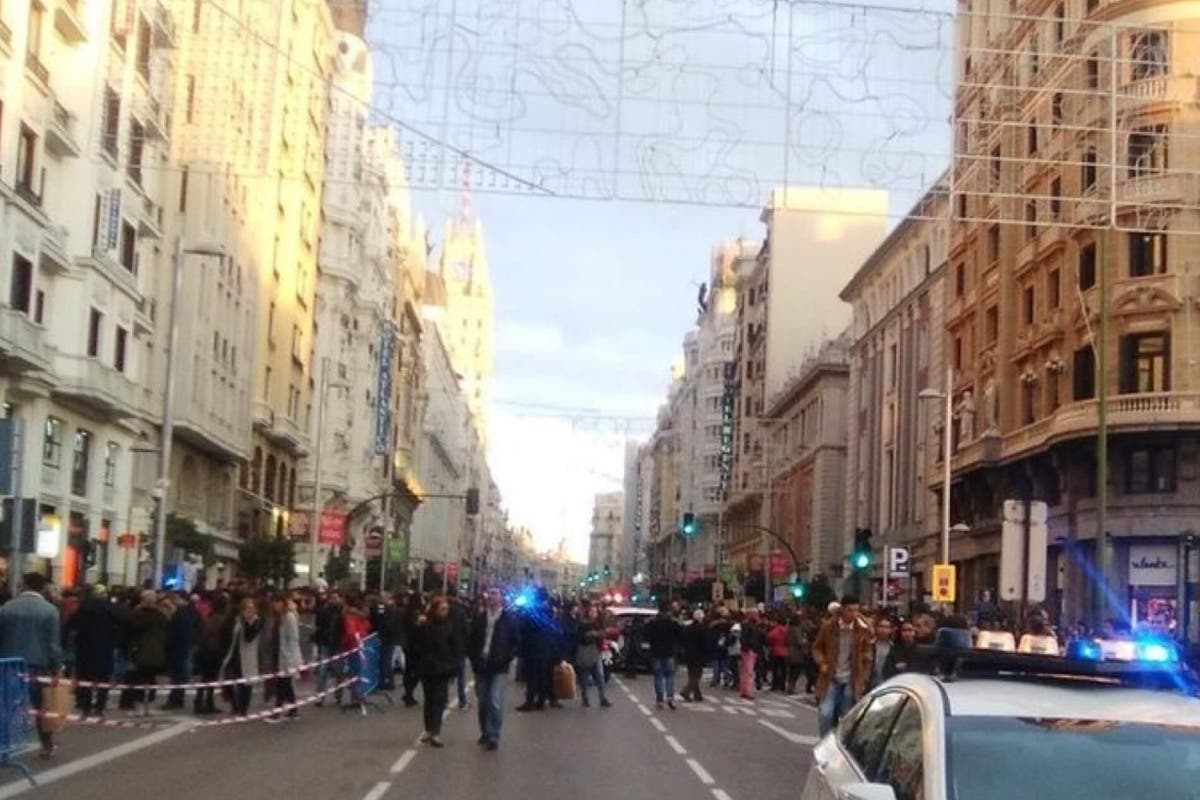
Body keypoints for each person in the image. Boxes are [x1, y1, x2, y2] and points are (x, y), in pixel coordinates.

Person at [0, 573, 62, 756]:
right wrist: (56, 668)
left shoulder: (7, 608)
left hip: (9, 664)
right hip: (38, 665)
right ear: (43, 588)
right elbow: (53, 644)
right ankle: (47, 744)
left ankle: (6, 743)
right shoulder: (50, 610)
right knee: (42, 706)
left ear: (23, 585)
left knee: (8, 705)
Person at [811, 595, 873, 736]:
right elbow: (816, 647)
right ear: (842, 609)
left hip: (852, 678)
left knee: (846, 716)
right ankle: (825, 743)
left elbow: (868, 655)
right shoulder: (829, 627)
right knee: (825, 713)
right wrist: (822, 663)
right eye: (850, 610)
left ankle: (841, 746)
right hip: (831, 677)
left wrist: (864, 677)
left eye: (856, 610)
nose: (853, 614)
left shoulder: (863, 629)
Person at [469, 587, 520, 751]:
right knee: (483, 701)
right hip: (482, 664)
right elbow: (472, 639)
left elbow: (516, 642)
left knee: (494, 700)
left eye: (495, 594)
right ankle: (484, 731)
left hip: (500, 666)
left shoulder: (509, 619)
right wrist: (473, 657)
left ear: (501, 599)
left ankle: (494, 734)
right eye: (489, 594)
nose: (492, 597)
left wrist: (508, 657)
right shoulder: (479, 618)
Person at [414, 597, 462, 747]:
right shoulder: (425, 626)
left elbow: (456, 648)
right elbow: (416, 644)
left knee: (439, 700)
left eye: (446, 609)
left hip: (443, 668)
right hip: (427, 668)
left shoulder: (450, 627)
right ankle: (428, 729)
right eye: (442, 609)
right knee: (429, 700)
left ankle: (436, 732)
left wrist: (454, 667)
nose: (445, 611)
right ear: (434, 610)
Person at [66, 584, 119, 717]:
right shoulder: (110, 609)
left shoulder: (84, 608)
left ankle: (86, 706)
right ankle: (100, 706)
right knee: (103, 679)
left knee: (85, 679)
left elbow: (71, 625)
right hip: (105, 648)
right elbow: (120, 624)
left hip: (85, 648)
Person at [127, 590, 169, 711]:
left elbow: (132, 630)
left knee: (140, 677)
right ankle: (149, 702)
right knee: (151, 677)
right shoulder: (161, 615)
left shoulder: (138, 615)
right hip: (157, 652)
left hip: (141, 651)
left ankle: (140, 703)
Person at [221, 597, 264, 717]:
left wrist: (247, 621)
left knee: (245, 684)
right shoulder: (237, 620)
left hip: (247, 656)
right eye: (247, 608)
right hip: (234, 655)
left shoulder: (256, 622)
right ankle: (234, 704)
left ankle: (243, 708)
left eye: (251, 608)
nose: (249, 610)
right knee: (228, 680)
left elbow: (249, 637)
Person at [268, 595, 303, 721]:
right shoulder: (279, 618)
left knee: (282, 684)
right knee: (286, 684)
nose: (275, 605)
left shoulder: (289, 617)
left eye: (278, 602)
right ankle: (293, 709)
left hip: (287, 656)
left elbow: (293, 638)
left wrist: (290, 657)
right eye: (274, 603)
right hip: (279, 655)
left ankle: (277, 712)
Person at [642, 600, 681, 710]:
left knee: (658, 677)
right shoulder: (673, 623)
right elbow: (679, 635)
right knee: (670, 676)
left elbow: (646, 636)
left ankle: (659, 700)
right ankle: (670, 697)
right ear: (668, 609)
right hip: (669, 653)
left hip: (656, 653)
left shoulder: (652, 623)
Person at [194, 593, 228, 714]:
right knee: (211, 679)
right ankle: (207, 702)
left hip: (206, 650)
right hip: (215, 651)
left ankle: (200, 702)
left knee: (205, 678)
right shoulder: (221, 619)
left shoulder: (209, 618)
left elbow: (203, 635)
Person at [163, 593, 198, 710]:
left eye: (175, 599)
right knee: (179, 675)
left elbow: (179, 632)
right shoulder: (186, 611)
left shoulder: (182, 613)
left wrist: (170, 643)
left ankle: (175, 699)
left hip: (179, 649)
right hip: (182, 648)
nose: (173, 601)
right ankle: (176, 699)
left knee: (178, 675)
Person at [575, 603, 611, 708]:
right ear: (588, 613)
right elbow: (579, 638)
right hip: (585, 653)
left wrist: (599, 634)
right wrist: (590, 635)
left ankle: (602, 698)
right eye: (592, 611)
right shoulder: (582, 624)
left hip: (596, 652)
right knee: (584, 678)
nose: (594, 613)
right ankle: (585, 699)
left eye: (595, 612)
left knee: (600, 677)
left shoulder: (598, 623)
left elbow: (603, 634)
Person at [312, 591, 345, 707]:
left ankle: (338, 696)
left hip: (338, 645)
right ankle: (320, 696)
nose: (333, 600)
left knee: (339, 672)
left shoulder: (343, 612)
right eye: (332, 598)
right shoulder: (324, 611)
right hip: (326, 644)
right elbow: (318, 626)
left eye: (336, 597)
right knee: (322, 671)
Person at [680, 609, 710, 703]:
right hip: (698, 655)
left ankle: (697, 695)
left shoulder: (688, 628)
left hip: (689, 654)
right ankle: (686, 691)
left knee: (691, 674)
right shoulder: (702, 629)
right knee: (697, 675)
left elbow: (683, 641)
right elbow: (704, 643)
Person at [739, 609, 765, 700]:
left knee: (745, 671)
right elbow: (760, 637)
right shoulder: (753, 626)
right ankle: (749, 691)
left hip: (746, 650)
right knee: (750, 672)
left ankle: (743, 690)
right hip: (751, 650)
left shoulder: (745, 625)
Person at [784, 612, 808, 695]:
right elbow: (799, 641)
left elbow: (785, 640)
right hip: (796, 652)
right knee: (797, 669)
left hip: (789, 651)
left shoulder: (788, 628)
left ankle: (789, 686)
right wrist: (805, 642)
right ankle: (791, 687)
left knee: (791, 670)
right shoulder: (797, 629)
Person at [869, 617, 894, 690]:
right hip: (870, 686)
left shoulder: (894, 648)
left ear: (890, 630)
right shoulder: (869, 645)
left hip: (887, 685)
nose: (883, 630)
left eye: (886, 627)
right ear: (876, 628)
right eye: (881, 626)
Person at [766, 614, 789, 692]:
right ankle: (783, 685)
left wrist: (771, 644)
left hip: (775, 651)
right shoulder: (787, 630)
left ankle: (774, 685)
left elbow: (769, 637)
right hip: (785, 651)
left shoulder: (775, 630)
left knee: (775, 669)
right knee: (784, 670)